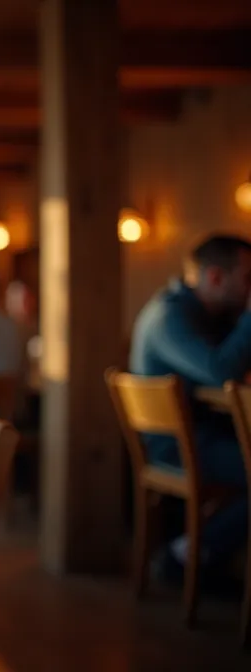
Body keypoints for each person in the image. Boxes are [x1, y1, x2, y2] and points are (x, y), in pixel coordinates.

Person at [130, 234, 251, 580]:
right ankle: (184, 555)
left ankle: (204, 552)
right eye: (247, 278)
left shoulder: (204, 314)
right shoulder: (170, 316)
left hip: (201, 435)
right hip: (175, 447)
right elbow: (221, 371)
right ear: (215, 277)